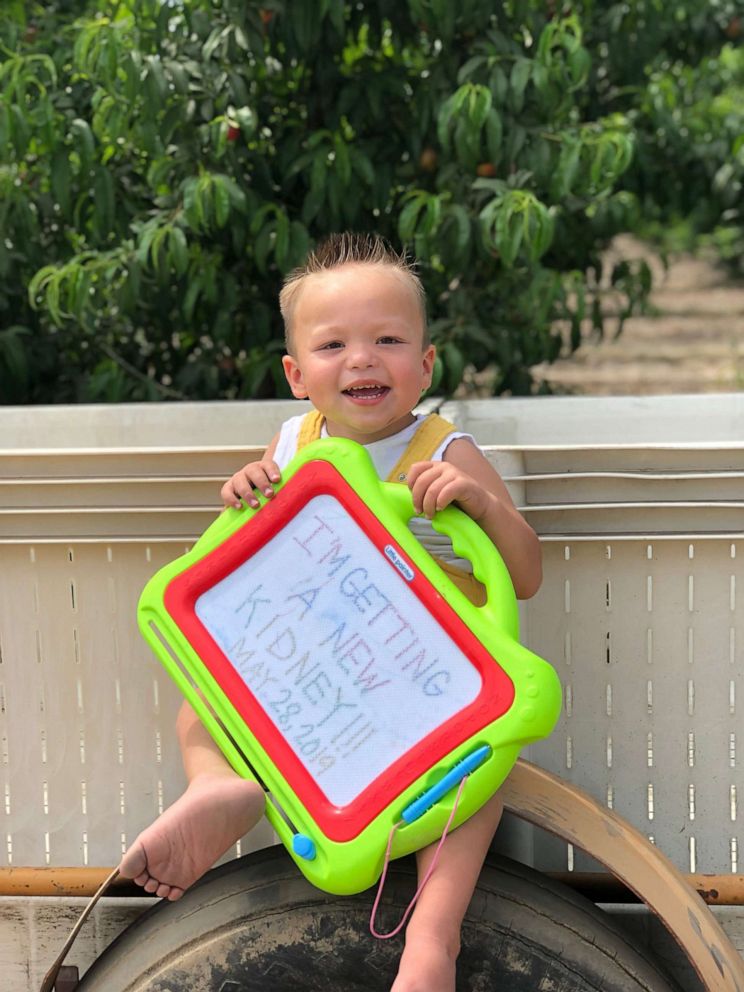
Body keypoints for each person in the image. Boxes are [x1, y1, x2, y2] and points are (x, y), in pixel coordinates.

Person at [119, 232, 542, 992]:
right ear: (296, 373)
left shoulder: (442, 448)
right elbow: (248, 557)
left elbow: (527, 573)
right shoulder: (293, 443)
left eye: (388, 339)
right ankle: (219, 787)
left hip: (424, 680)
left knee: (473, 788)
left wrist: (476, 502)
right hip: (320, 674)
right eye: (333, 344)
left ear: (426, 364)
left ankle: (431, 939)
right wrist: (247, 487)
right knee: (199, 713)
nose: (362, 359)